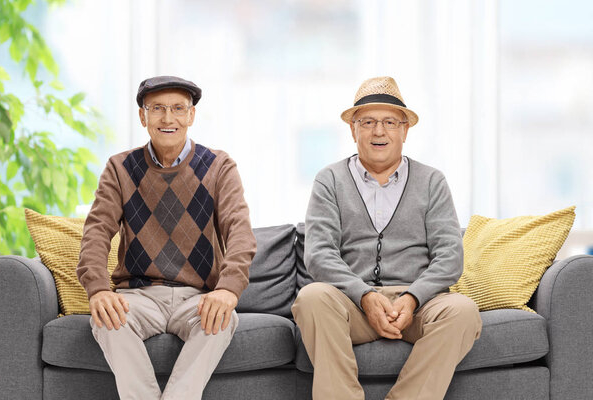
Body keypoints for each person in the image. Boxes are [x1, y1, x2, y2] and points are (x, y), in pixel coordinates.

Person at [292, 76, 482, 400]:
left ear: (404, 130)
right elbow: (319, 254)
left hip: (418, 306)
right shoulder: (330, 180)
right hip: (353, 304)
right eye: (368, 121)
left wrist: (412, 298)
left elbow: (450, 255)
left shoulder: (432, 181)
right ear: (353, 129)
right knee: (311, 298)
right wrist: (364, 295)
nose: (379, 131)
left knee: (462, 311)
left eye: (390, 122)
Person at [76, 76, 256, 400]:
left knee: (223, 321)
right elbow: (96, 233)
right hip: (140, 296)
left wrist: (229, 290)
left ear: (191, 116)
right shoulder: (119, 168)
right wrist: (99, 289)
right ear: (143, 117)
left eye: (177, 108)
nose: (168, 118)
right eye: (157, 109)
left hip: (197, 297)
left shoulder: (219, 167)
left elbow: (240, 232)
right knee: (105, 320)